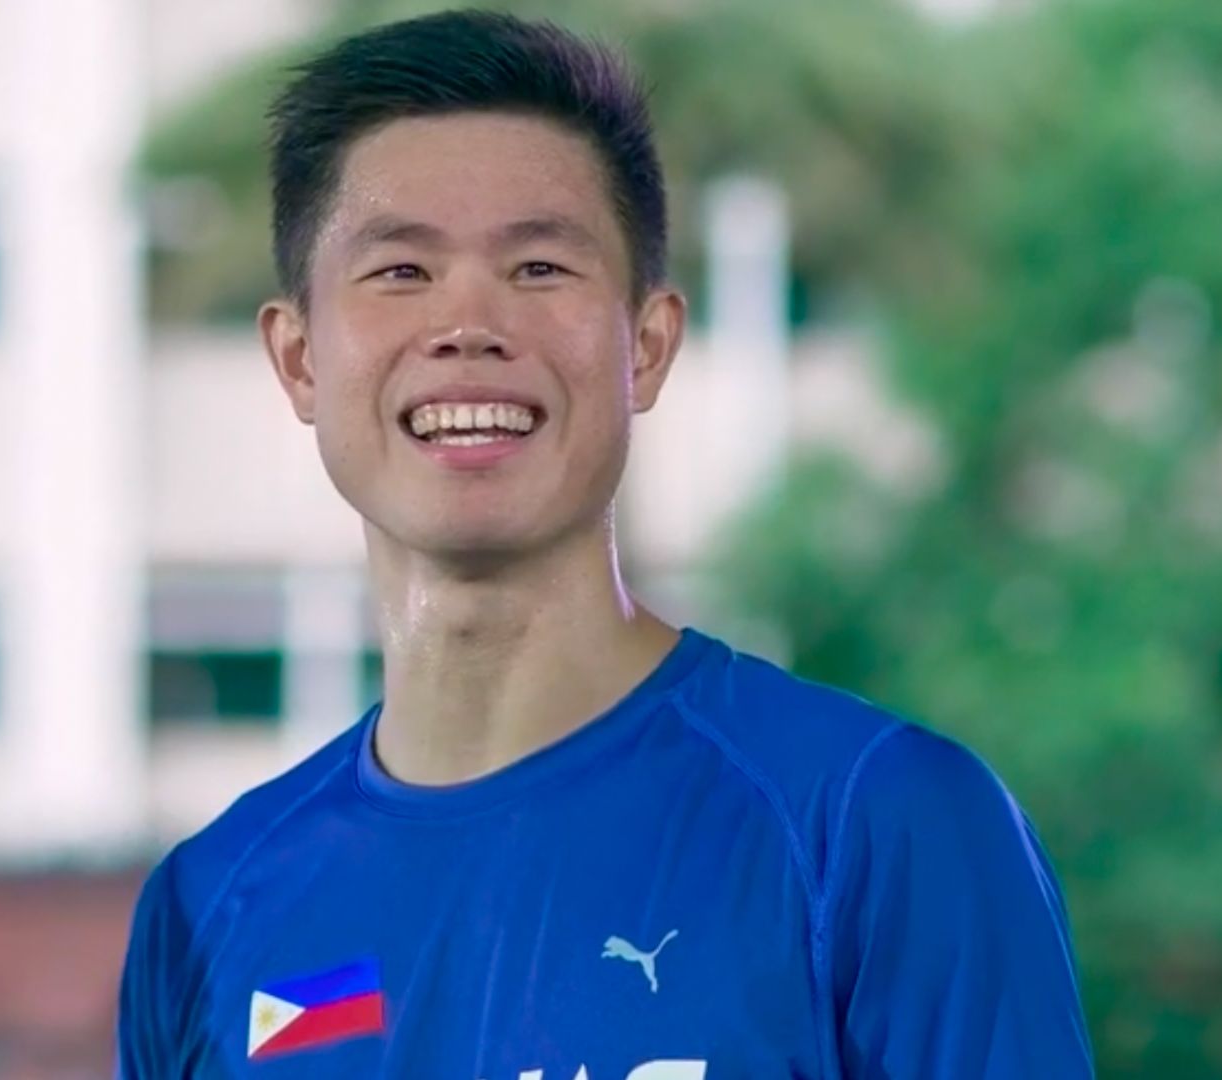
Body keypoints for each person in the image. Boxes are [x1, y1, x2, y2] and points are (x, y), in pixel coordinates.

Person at [116, 10, 1093, 1079]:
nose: (468, 324)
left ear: (648, 345)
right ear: (299, 358)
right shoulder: (209, 908)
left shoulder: (876, 825)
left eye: (538, 267)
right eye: (401, 271)